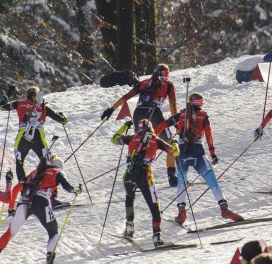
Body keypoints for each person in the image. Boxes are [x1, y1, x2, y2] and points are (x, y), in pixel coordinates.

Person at [165, 92, 242, 225]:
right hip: (199, 151)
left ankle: (181, 212)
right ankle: (224, 208)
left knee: (182, 182)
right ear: (201, 103)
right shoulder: (204, 115)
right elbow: (208, 134)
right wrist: (212, 153)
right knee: (212, 180)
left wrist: (163, 139)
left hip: (182, 151)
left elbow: (164, 125)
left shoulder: (181, 114)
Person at [100, 64, 179, 187]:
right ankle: (171, 175)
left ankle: (135, 176)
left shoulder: (144, 82)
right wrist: (177, 124)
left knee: (140, 144)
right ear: (167, 74)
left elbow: (126, 97)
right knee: (169, 142)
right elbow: (173, 106)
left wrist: (111, 109)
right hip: (154, 112)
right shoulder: (168, 84)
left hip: (138, 113)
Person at [0, 154, 81, 264]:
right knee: (53, 232)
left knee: (9, 233)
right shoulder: (58, 171)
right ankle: (49, 258)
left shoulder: (35, 173)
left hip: (24, 202)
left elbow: (17, 188)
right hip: (41, 203)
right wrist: (76, 191)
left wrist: (11, 209)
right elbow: (67, 187)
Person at [111, 119, 180, 246]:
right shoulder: (156, 140)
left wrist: (124, 126)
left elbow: (114, 139)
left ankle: (129, 228)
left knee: (129, 197)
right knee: (155, 206)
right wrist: (175, 143)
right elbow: (175, 152)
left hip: (129, 175)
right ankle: (156, 236)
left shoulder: (131, 138)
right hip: (146, 176)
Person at [1, 86, 68, 181]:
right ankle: (41, 186)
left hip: (23, 137)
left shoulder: (19, 104)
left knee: (19, 163)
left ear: (27, 95)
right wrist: (62, 116)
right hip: (38, 138)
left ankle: (24, 190)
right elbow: (63, 121)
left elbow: (1, 106)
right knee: (46, 163)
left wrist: (8, 94)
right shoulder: (44, 107)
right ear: (37, 96)